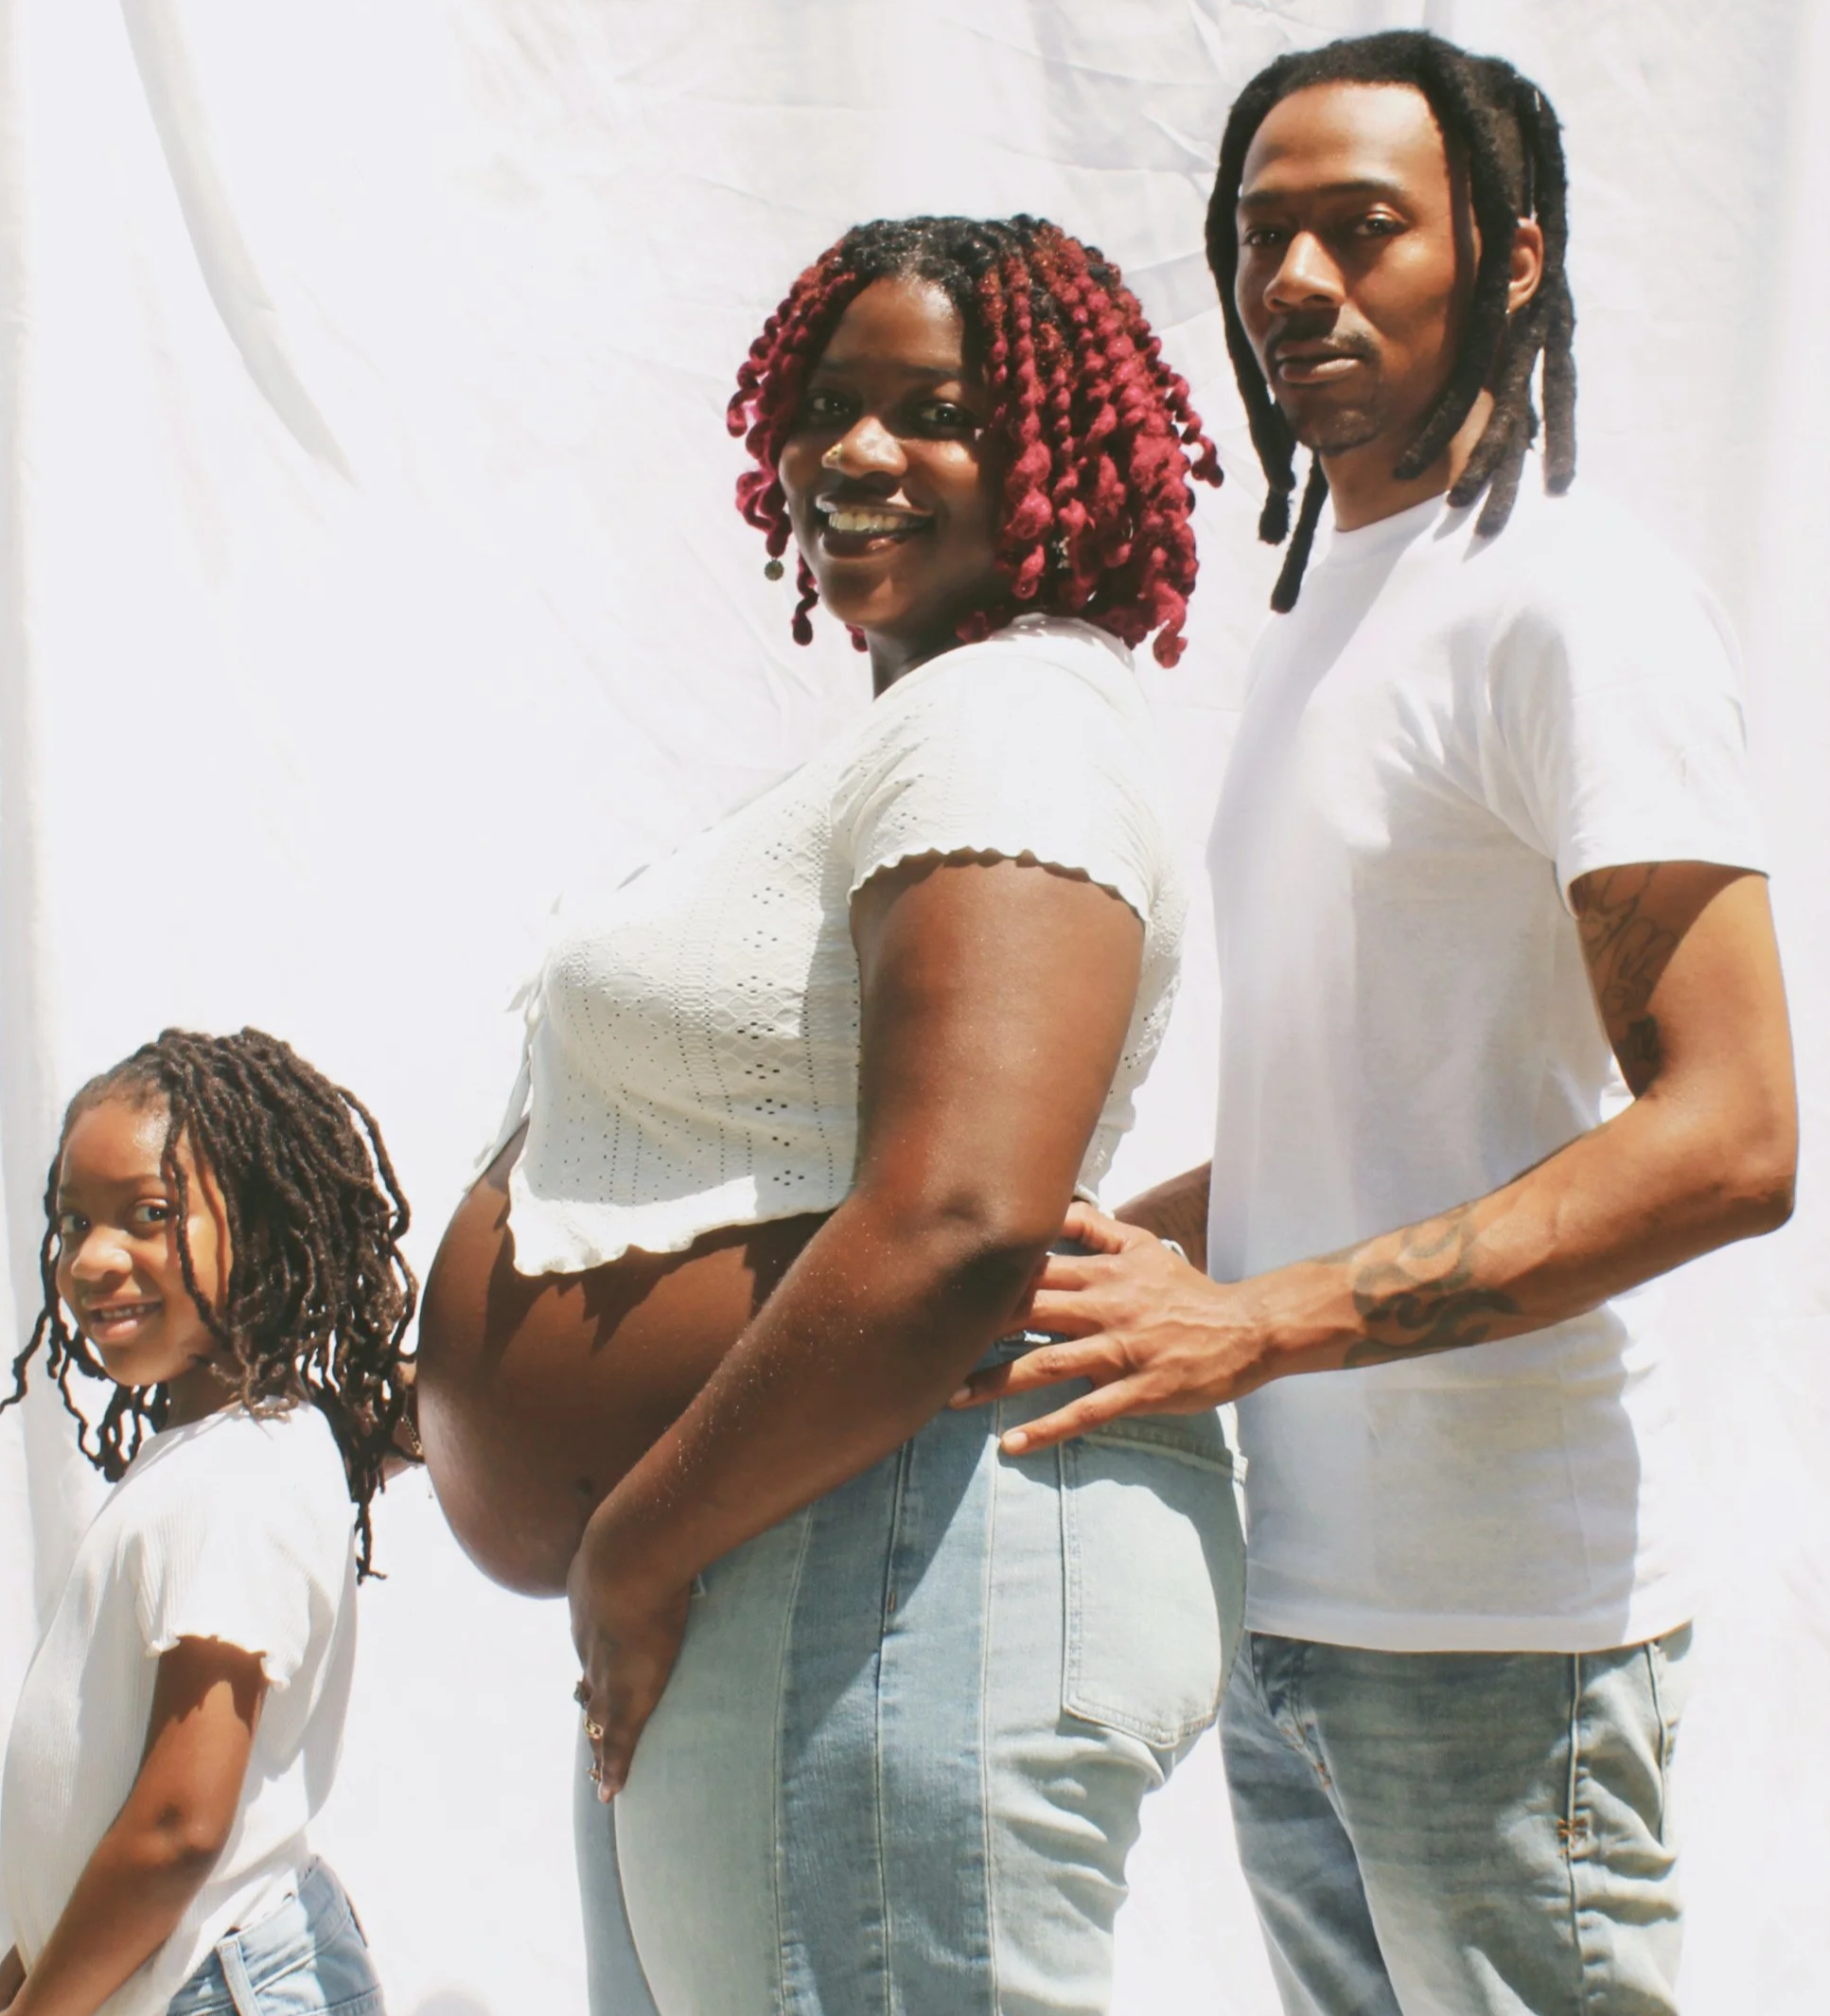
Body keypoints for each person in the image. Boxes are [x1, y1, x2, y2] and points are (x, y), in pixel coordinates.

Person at [956, 31, 1798, 2016]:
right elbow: (1370, 1116)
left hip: (1503, 1631)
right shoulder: (1337, 596)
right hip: (1304, 1601)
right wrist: (1076, 1264)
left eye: (1365, 228)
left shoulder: (1571, 604)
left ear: (1511, 255)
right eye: (1266, 236)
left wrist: (1257, 1324)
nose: (1300, 284)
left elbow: (1734, 1136)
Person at [417, 216, 1241, 2014]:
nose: (856, 452)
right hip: (802, 1554)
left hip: (889, 1553)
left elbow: (960, 1216)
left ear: (1056, 453)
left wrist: (635, 1544)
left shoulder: (1012, 721)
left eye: (935, 414)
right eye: (831, 404)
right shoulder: (924, 736)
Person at [0, 1029, 415, 2016]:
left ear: (257, 1227)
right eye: (74, 1222)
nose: (94, 1259)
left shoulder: (238, 1477)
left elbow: (180, 1825)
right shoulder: (214, 1456)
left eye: (149, 1215)